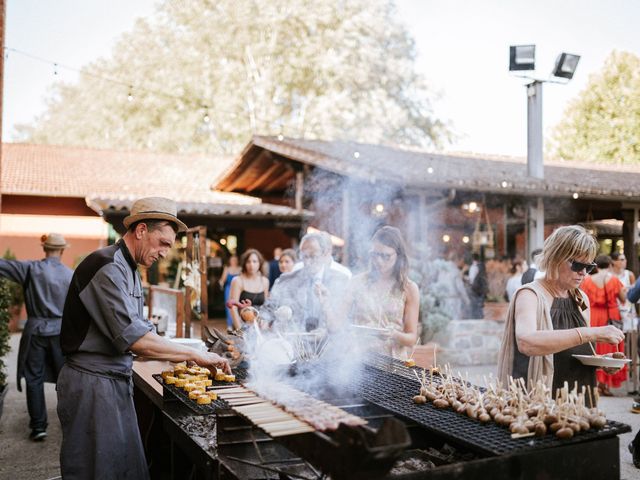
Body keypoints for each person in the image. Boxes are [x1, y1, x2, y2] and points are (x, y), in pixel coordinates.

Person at [57, 197, 230, 480]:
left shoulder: (131, 269)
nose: (164, 253)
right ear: (140, 230)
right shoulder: (108, 266)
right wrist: (196, 354)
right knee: (95, 471)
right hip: (92, 383)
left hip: (113, 379)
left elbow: (144, 333)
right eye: (162, 243)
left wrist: (180, 355)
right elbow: (136, 340)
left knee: (124, 468)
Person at [497, 225, 625, 397]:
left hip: (578, 394)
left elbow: (573, 350)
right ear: (555, 258)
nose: (583, 273)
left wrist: (600, 361)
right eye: (578, 265)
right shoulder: (530, 295)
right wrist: (590, 333)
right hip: (539, 396)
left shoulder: (580, 298)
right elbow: (526, 342)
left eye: (588, 267)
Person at [0, 233, 73, 441]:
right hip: (60, 333)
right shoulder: (70, 274)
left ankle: (39, 426)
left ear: (44, 248)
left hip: (36, 331)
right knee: (65, 380)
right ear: (62, 250)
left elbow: (3, 266)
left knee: (34, 378)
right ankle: (70, 424)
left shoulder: (30, 268)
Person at [345, 226, 420, 359]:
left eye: (386, 256)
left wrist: (394, 334)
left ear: (399, 256)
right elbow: (340, 320)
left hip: (393, 362)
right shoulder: (357, 282)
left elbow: (411, 338)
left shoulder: (408, 288)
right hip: (359, 360)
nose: (378, 261)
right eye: (375, 254)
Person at [264, 231, 350, 332]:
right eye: (305, 256)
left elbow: (343, 323)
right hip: (294, 342)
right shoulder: (286, 280)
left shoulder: (340, 280)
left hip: (329, 344)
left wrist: (325, 330)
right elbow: (267, 311)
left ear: (324, 255)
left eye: (313, 256)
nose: (308, 262)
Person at [580, 255, 628, 395]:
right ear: (610, 265)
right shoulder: (614, 280)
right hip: (610, 316)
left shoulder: (587, 280)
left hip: (593, 316)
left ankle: (595, 382)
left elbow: (582, 300)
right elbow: (623, 299)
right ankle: (605, 384)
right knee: (611, 346)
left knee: (596, 348)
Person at [229, 248, 270, 330]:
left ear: (260, 263)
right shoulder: (238, 280)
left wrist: (265, 322)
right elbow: (233, 307)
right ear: (244, 264)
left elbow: (265, 306)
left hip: (259, 327)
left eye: (254, 261)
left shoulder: (265, 281)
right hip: (242, 324)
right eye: (248, 262)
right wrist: (240, 330)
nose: (251, 265)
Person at [611, 251, 636, 330]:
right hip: (614, 309)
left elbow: (635, 293)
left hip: (628, 309)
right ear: (614, 262)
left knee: (629, 335)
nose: (625, 261)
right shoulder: (609, 275)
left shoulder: (629, 274)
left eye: (625, 259)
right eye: (621, 259)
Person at [219, 254, 241, 333]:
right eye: (232, 260)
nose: (233, 261)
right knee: (229, 306)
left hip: (238, 289)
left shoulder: (240, 269)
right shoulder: (227, 268)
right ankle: (229, 325)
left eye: (235, 260)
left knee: (238, 306)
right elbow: (222, 279)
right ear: (230, 261)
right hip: (229, 288)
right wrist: (220, 283)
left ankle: (237, 324)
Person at [467, 253, 488, 319]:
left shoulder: (473, 267)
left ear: (472, 259)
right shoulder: (482, 266)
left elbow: (471, 279)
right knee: (480, 305)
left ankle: (476, 319)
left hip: (474, 288)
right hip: (481, 288)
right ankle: (480, 318)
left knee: (474, 305)